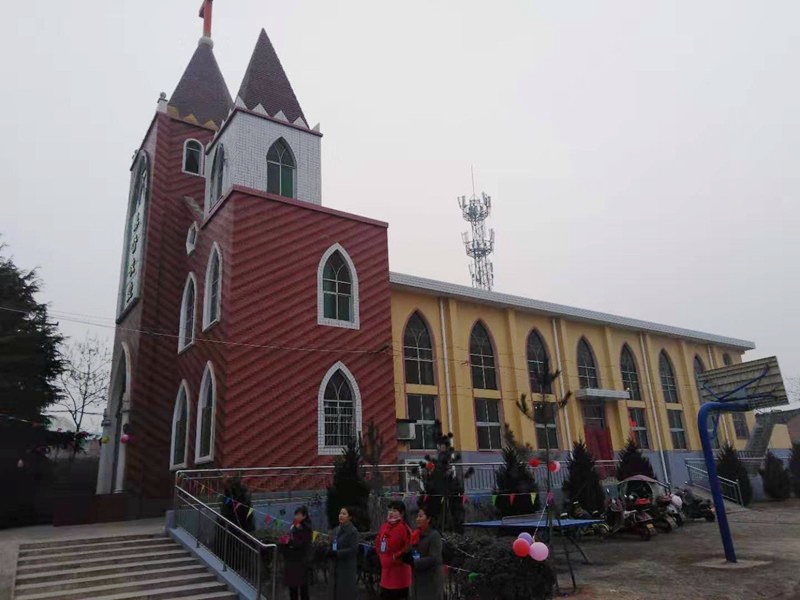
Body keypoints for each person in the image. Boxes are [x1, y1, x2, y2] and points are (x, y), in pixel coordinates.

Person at [376, 500, 412, 599]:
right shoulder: (384, 526)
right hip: (385, 572)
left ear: (402, 513)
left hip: (399, 574)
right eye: (390, 510)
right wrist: (381, 556)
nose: (391, 512)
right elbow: (378, 542)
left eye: (395, 510)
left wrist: (394, 557)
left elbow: (408, 547)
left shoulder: (404, 528)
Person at [411, 507, 443, 600]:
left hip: (430, 580)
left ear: (428, 519)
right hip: (417, 580)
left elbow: (434, 558)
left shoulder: (434, 535)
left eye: (421, 516)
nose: (417, 519)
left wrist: (415, 563)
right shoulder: (416, 534)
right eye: (417, 516)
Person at [283, 505, 313, 600]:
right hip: (291, 560)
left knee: (303, 588)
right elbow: (288, 538)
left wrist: (291, 542)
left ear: (304, 516)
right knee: (293, 589)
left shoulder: (306, 527)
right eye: (296, 514)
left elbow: (302, 542)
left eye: (298, 514)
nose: (296, 516)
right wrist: (285, 541)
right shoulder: (293, 526)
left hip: (301, 560)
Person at [330, 506, 359, 600]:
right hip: (336, 565)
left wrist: (338, 553)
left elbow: (353, 549)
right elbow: (333, 543)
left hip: (347, 567)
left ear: (349, 517)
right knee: (336, 592)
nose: (341, 516)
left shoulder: (353, 531)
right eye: (340, 513)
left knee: (346, 593)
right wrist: (329, 550)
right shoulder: (336, 530)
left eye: (344, 514)